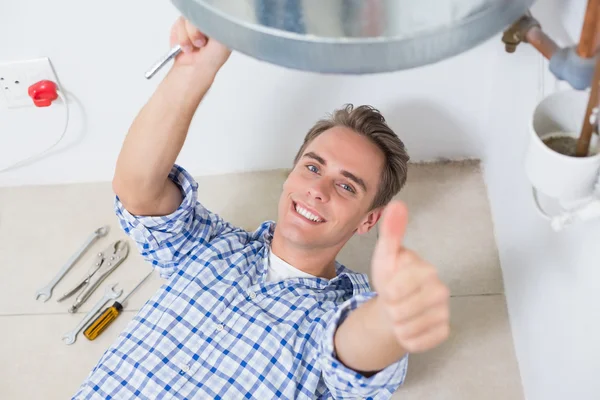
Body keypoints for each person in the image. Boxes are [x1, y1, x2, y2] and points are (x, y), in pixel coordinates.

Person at [73, 16, 451, 400]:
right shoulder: (210, 247)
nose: (317, 189)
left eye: (345, 185)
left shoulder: (341, 312)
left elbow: (355, 357)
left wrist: (391, 314)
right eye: (313, 167)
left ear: (369, 219)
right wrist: (194, 68)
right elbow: (139, 191)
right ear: (291, 175)